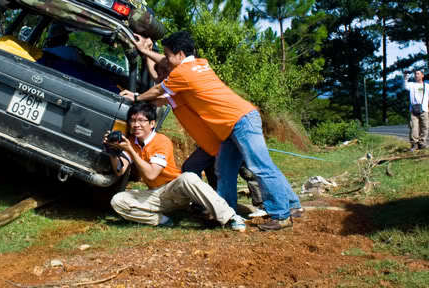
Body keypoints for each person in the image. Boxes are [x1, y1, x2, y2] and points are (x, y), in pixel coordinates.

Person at [121, 31, 302, 231]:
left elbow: (157, 90)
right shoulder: (199, 64)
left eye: (168, 55)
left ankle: (281, 214)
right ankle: (227, 212)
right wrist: (146, 51)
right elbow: (163, 68)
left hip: (240, 122)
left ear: (180, 55)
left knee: (260, 167)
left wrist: (136, 97)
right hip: (231, 127)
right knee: (224, 170)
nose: (166, 60)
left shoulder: (182, 74)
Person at [141, 37, 266, 217]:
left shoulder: (181, 81)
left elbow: (158, 85)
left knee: (247, 168)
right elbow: (158, 78)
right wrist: (146, 53)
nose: (159, 75)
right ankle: (213, 204)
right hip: (209, 142)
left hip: (223, 134)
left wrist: (137, 94)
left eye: (166, 65)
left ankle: (262, 204)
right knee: (196, 168)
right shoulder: (176, 82)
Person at [105, 102, 246, 231]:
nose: (136, 125)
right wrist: (112, 152)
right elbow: (120, 170)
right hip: (155, 194)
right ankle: (161, 220)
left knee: (188, 177)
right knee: (118, 200)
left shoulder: (161, 141)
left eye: (141, 120)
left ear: (152, 123)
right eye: (133, 120)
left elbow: (151, 175)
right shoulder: (132, 143)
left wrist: (130, 151)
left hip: (175, 190)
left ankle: (230, 217)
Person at [403, 70, 429, 151]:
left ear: (422, 75)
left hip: (424, 109)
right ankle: (414, 144)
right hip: (413, 110)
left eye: (418, 74)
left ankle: (422, 143)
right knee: (414, 127)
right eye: (415, 74)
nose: (416, 75)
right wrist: (405, 76)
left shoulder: (427, 86)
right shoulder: (411, 85)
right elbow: (405, 85)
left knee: (425, 127)